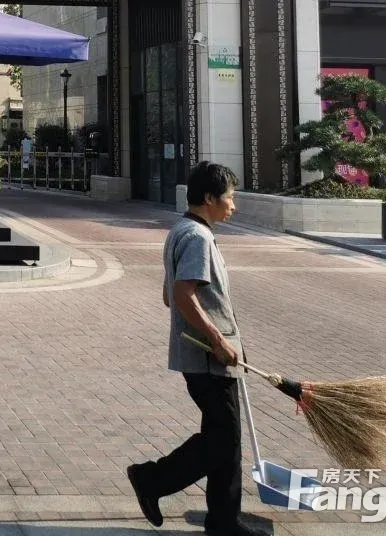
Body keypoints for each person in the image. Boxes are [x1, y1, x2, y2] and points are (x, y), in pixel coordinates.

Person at [126, 161, 264, 536]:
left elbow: (169, 295)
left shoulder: (181, 231)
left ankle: (223, 520)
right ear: (208, 198)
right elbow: (182, 294)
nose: (233, 205)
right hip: (208, 359)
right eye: (230, 197)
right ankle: (152, 479)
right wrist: (217, 339)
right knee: (223, 440)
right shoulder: (198, 238)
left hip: (205, 357)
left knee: (223, 438)